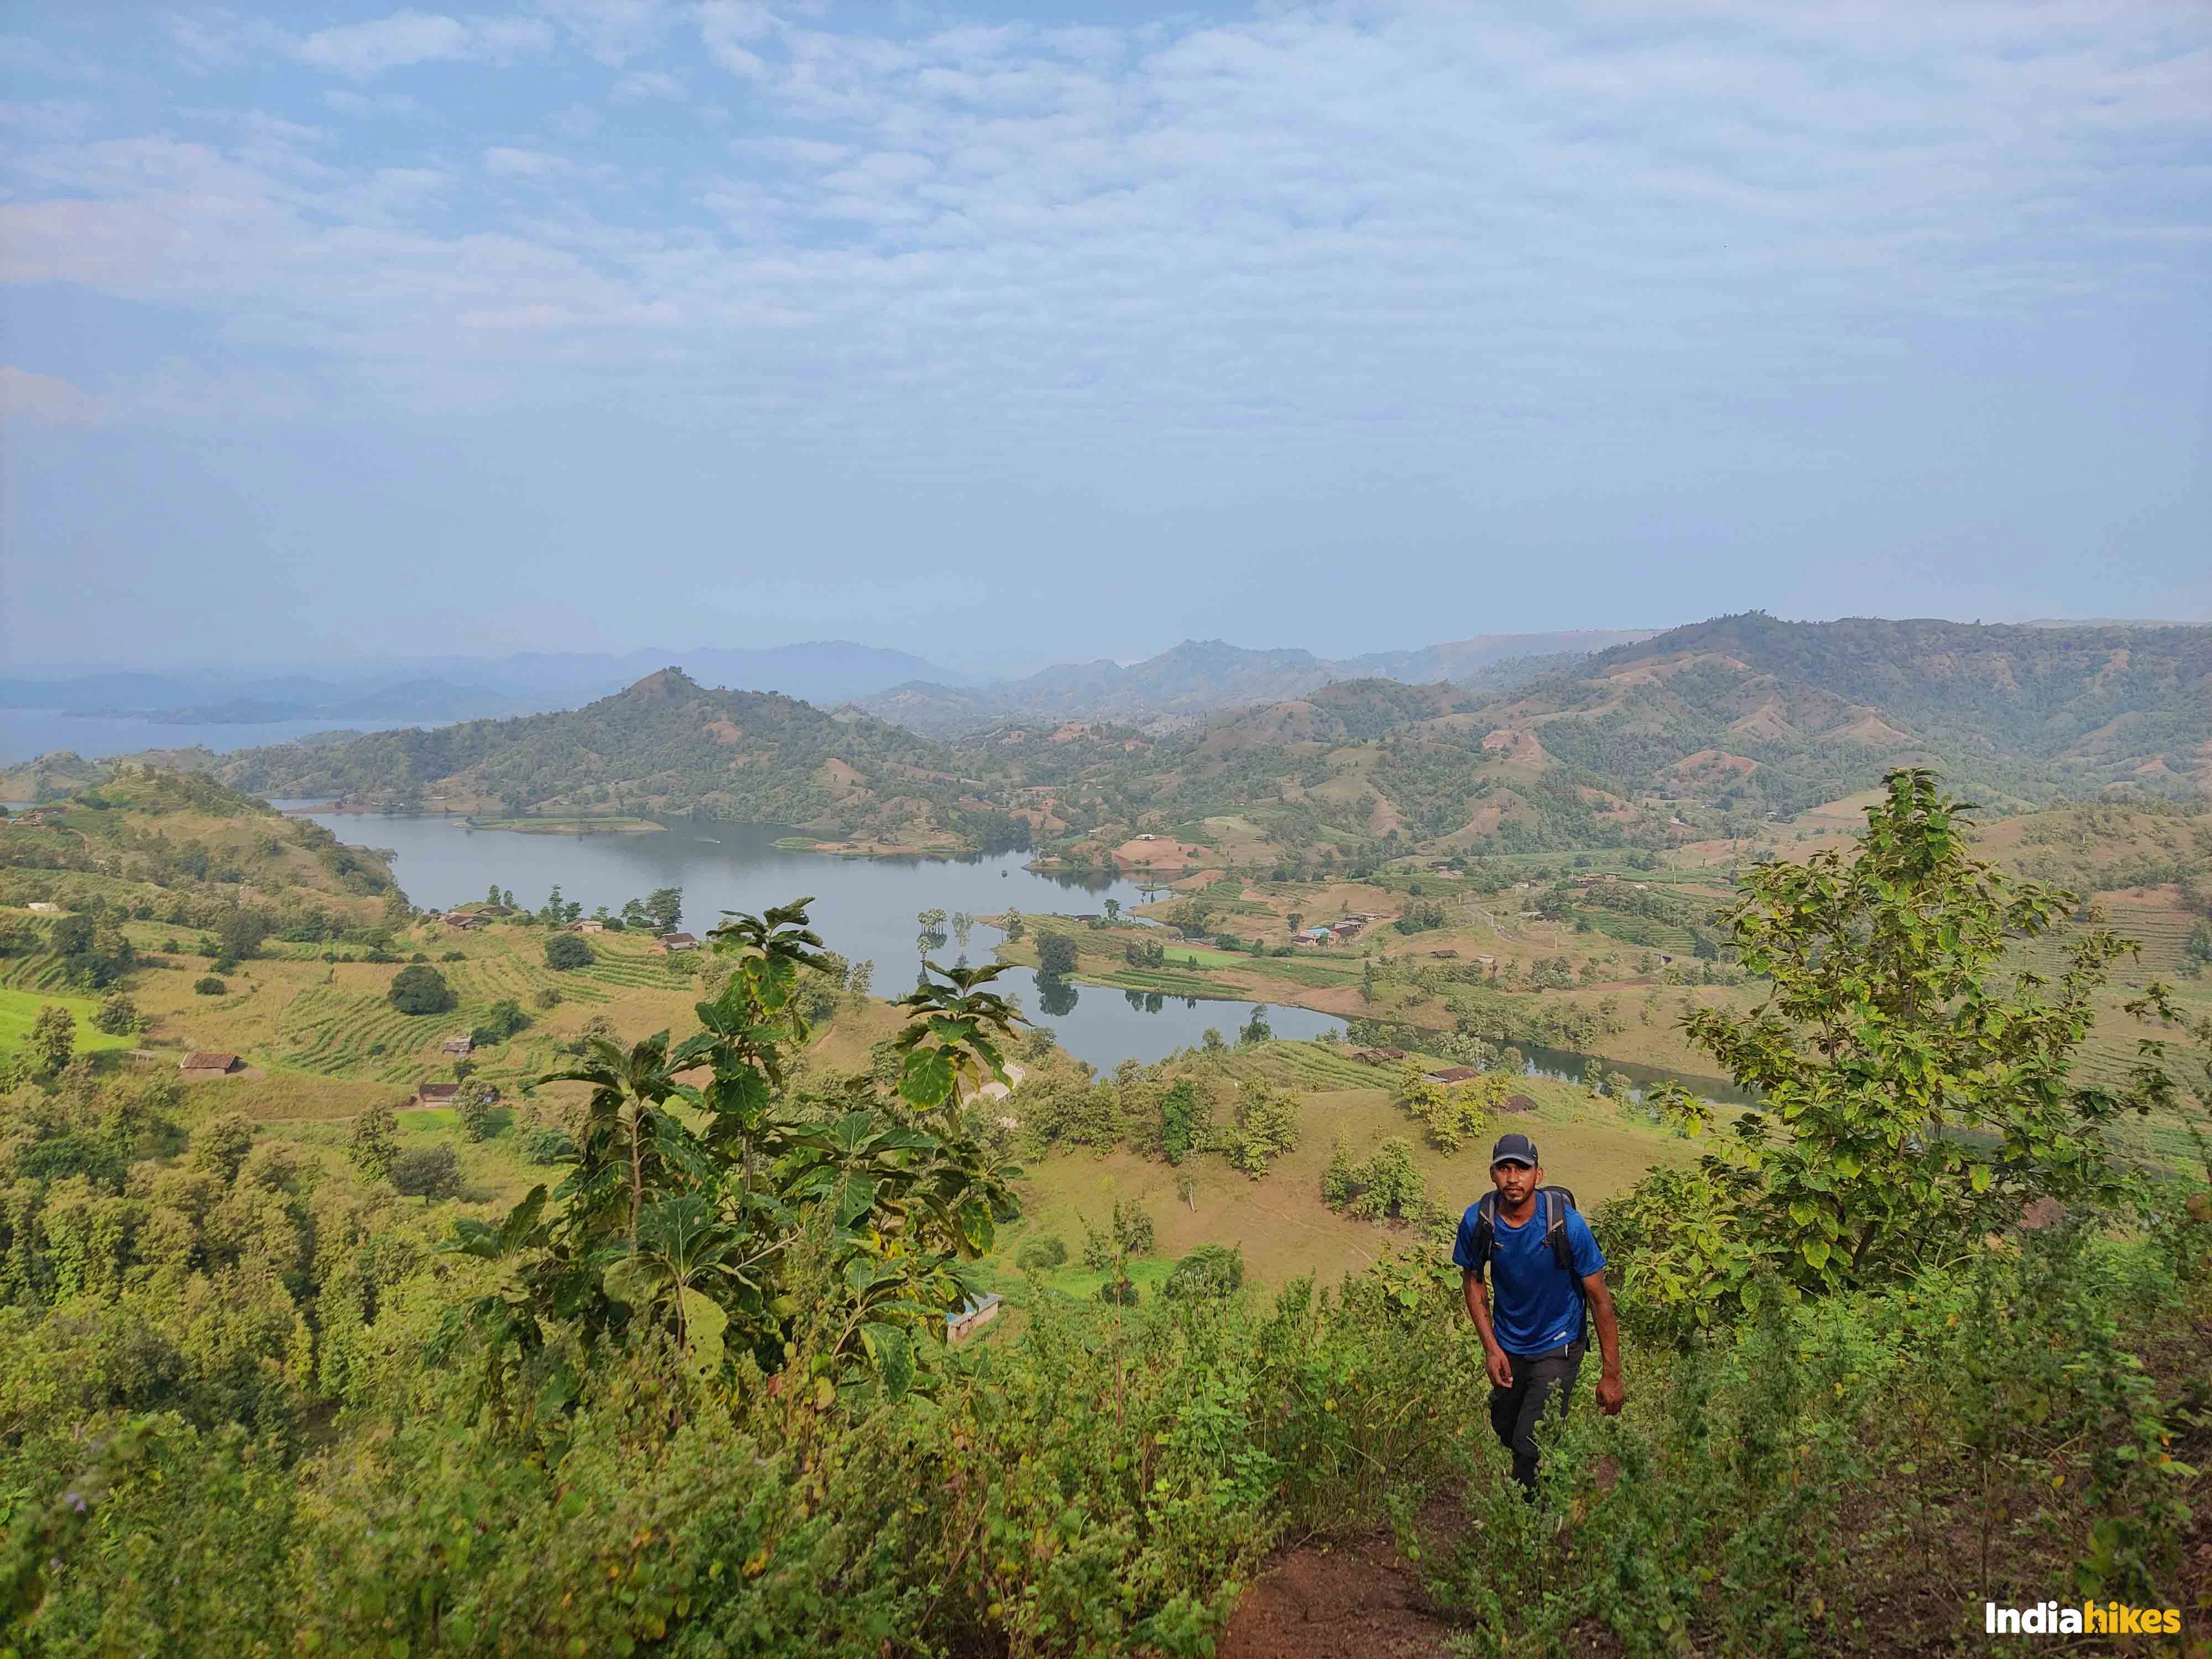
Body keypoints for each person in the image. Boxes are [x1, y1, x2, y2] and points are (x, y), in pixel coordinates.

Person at [1454, 1131, 1624, 1496]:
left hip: (1559, 1343)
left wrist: (1611, 1376)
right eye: (1505, 1168)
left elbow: (1599, 1299)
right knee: (1505, 1422)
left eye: (1522, 1169)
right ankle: (1547, 1470)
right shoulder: (1479, 1221)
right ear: (1492, 1174)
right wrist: (1491, 1347)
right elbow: (1473, 1282)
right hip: (1510, 1344)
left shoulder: (1567, 1225)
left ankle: (1527, 1520)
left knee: (1529, 1441)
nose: (1513, 1178)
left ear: (1538, 1174)